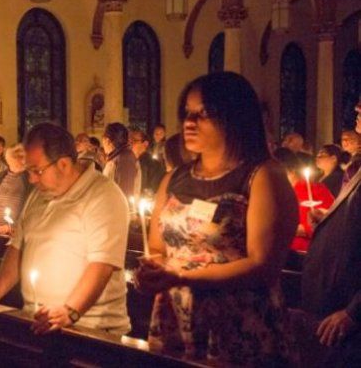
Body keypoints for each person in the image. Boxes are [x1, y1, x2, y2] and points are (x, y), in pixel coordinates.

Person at [134, 72, 297, 365]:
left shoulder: (262, 176)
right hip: (179, 319)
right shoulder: (174, 178)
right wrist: (151, 269)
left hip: (238, 324)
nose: (189, 122)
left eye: (203, 113)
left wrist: (182, 276)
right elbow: (158, 247)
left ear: (234, 117)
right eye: (187, 112)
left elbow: (263, 266)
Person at [0, 123, 131, 335]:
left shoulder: (104, 195)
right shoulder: (38, 195)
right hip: (39, 322)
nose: (31, 179)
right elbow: (17, 248)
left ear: (63, 164)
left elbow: (102, 264)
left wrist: (70, 310)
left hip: (90, 330)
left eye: (37, 170)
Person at [302, 152, 361, 366]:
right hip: (334, 304)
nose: (357, 116)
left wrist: (354, 313)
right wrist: (329, 218)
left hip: (346, 313)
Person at [275, 149, 334, 252]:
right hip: (280, 252)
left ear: (292, 170)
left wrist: (302, 229)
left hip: (307, 252)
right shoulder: (274, 191)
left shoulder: (316, 190)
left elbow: (331, 223)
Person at [0, 144, 31, 237]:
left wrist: (9, 227)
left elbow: (31, 212)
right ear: (8, 160)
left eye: (22, 158)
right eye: (16, 158)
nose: (21, 161)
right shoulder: (0, 177)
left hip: (12, 234)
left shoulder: (29, 180)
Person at [102, 123, 140, 197]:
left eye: (103, 141)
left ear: (107, 141)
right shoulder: (117, 157)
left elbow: (125, 191)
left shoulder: (125, 158)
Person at [129, 129, 165, 196]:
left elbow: (153, 190)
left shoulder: (154, 166)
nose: (130, 144)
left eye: (134, 141)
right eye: (128, 141)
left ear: (145, 144)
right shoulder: (126, 163)